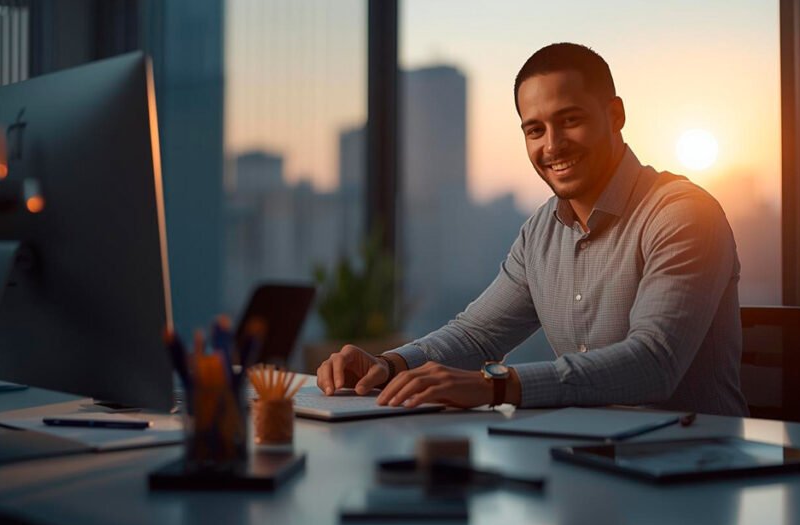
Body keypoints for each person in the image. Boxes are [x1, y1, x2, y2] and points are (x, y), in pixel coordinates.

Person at [317, 42, 749, 416]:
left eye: (570, 120)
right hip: (583, 460)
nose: (552, 145)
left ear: (615, 115)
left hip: (696, 471)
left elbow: (654, 362)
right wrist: (390, 364)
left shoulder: (684, 214)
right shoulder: (541, 231)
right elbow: (478, 334)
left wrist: (498, 386)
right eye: (535, 130)